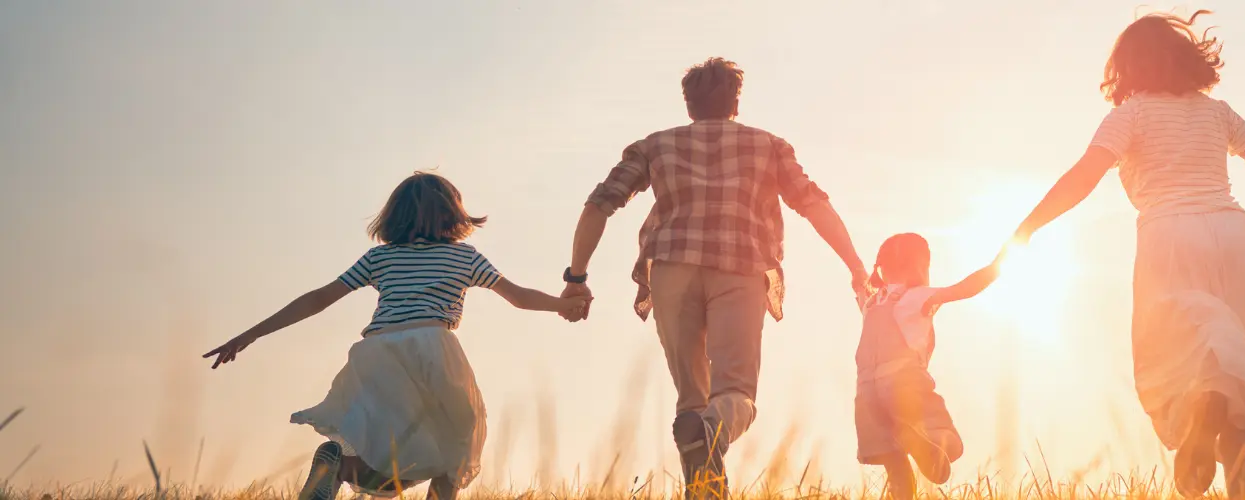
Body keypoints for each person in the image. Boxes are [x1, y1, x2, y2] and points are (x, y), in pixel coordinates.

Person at [1007, 11, 1245, 498]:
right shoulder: (1217, 113)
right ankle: (1234, 453)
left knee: (1184, 355)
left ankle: (1205, 410)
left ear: (1126, 67)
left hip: (1168, 237)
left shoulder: (1129, 115)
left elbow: (1083, 177)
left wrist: (1026, 229)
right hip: (1235, 234)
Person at [559, 57, 867, 500]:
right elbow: (813, 204)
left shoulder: (654, 145)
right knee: (736, 394)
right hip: (739, 267)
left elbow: (599, 204)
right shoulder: (768, 145)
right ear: (735, 102)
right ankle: (707, 442)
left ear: (688, 105)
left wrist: (577, 276)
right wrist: (855, 266)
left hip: (671, 270)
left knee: (693, 403)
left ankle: (703, 488)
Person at [201, 172, 588, 500]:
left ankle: (338, 463)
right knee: (457, 439)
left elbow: (320, 298)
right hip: (432, 347)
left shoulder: (381, 257)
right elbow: (518, 297)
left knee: (384, 443)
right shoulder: (464, 256)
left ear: (394, 216)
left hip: (377, 351)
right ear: (452, 213)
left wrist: (251, 334)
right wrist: (564, 305)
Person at [852, 234, 1005, 499]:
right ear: (922, 268)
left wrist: (857, 272)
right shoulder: (917, 296)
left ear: (883, 270)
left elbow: (859, 285)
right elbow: (966, 288)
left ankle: (908, 463)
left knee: (894, 464)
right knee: (951, 444)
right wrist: (999, 262)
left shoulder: (871, 302)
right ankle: (925, 444)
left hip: (866, 393)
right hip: (903, 382)